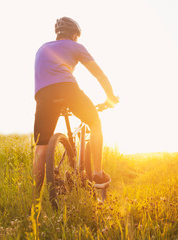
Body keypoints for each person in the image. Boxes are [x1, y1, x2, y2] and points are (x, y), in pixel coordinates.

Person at [33, 17, 119, 195]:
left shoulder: (42, 48)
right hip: (67, 89)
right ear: (74, 35)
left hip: (43, 95)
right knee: (95, 123)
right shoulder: (76, 46)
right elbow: (99, 75)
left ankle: (35, 200)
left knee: (41, 148)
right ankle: (96, 173)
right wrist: (110, 97)